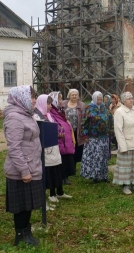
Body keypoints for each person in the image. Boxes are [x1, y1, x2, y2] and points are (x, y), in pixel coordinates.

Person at [3, 85, 41, 246]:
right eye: (32, 97)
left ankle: (27, 231)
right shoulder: (14, 118)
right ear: (21, 98)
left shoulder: (27, 115)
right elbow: (14, 148)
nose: (34, 100)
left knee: (28, 204)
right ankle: (20, 235)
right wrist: (24, 171)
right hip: (21, 170)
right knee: (21, 206)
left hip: (32, 165)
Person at [33, 95, 72, 209]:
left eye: (50, 103)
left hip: (54, 148)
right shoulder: (36, 116)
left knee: (56, 170)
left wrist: (58, 134)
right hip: (45, 150)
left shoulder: (49, 115)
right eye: (48, 104)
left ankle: (58, 192)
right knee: (47, 173)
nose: (50, 106)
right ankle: (49, 197)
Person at [80, 91, 114, 183]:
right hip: (93, 138)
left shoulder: (105, 108)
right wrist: (84, 135)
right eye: (98, 99)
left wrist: (111, 132)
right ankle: (94, 176)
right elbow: (83, 123)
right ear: (94, 99)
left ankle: (103, 175)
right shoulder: (88, 108)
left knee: (104, 156)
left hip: (104, 138)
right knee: (95, 157)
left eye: (101, 99)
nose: (99, 101)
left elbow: (110, 119)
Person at [49, 92, 76, 187]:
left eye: (61, 99)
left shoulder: (60, 110)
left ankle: (66, 176)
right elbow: (53, 123)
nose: (61, 101)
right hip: (60, 139)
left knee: (67, 159)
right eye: (59, 99)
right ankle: (62, 177)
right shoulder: (51, 111)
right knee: (62, 160)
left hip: (65, 138)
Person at [61, 89, 85, 182]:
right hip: (66, 131)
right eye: (72, 95)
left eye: (76, 95)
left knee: (76, 149)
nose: (74, 96)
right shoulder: (63, 104)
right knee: (67, 149)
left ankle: (73, 167)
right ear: (69, 95)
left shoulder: (81, 105)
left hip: (76, 130)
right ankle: (68, 168)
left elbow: (83, 118)